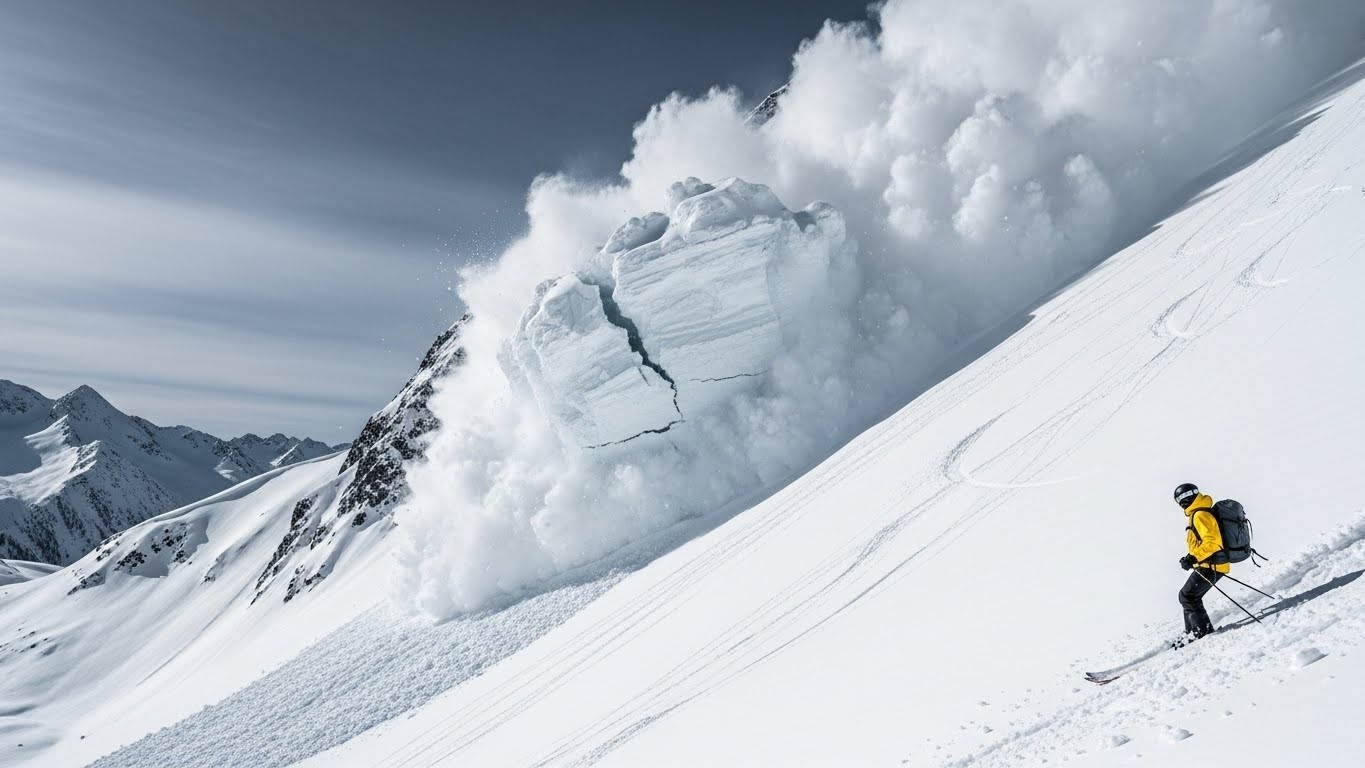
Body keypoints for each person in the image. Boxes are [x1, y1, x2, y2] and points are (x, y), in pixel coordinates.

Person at [1173, 482, 1231, 641]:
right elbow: (1201, 542)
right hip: (1209, 563)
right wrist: (1190, 557)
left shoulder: (1200, 515)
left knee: (1188, 596)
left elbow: (1213, 542)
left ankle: (1201, 632)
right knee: (1187, 596)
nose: (1182, 502)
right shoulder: (1198, 513)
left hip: (1212, 565)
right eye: (1179, 500)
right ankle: (1192, 631)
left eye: (1183, 498)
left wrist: (1194, 557)